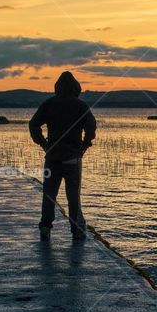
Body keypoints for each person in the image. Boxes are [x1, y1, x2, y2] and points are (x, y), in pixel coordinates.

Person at [28, 71, 97, 242]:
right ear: (76, 88)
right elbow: (91, 126)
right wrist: (84, 145)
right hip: (72, 158)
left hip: (52, 157)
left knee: (49, 194)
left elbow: (33, 124)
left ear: (57, 87)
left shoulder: (49, 104)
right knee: (73, 196)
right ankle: (77, 230)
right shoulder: (81, 106)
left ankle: (45, 227)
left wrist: (43, 143)